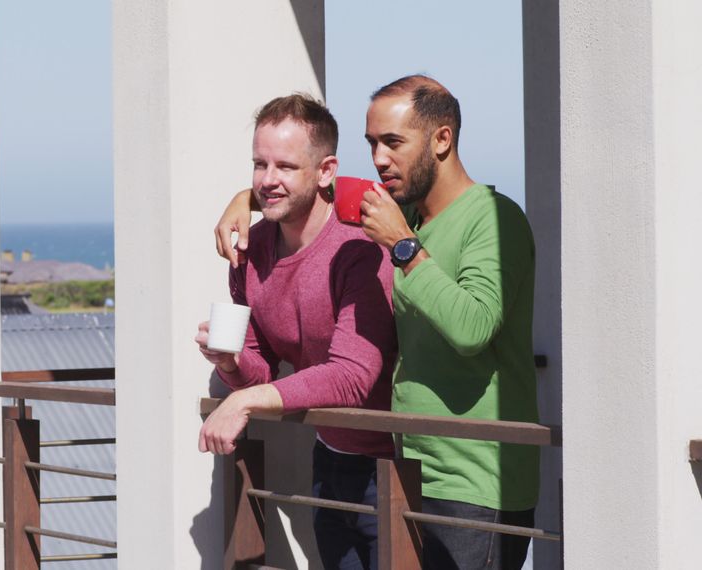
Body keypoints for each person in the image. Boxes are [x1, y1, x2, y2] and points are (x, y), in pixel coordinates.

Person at [214, 76, 540, 570]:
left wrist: (403, 248)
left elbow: (473, 328)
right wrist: (244, 199)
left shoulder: (495, 220)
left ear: (442, 140)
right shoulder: (402, 207)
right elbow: (306, 184)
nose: (379, 159)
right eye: (372, 144)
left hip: (477, 479)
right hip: (409, 467)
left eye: (393, 143)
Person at [195, 93, 397, 569]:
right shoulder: (251, 247)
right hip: (328, 456)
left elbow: (352, 376)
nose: (268, 181)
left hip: (397, 467)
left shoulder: (359, 249)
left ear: (326, 171)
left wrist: (243, 400)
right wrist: (231, 363)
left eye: (285, 166)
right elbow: (260, 368)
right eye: (259, 164)